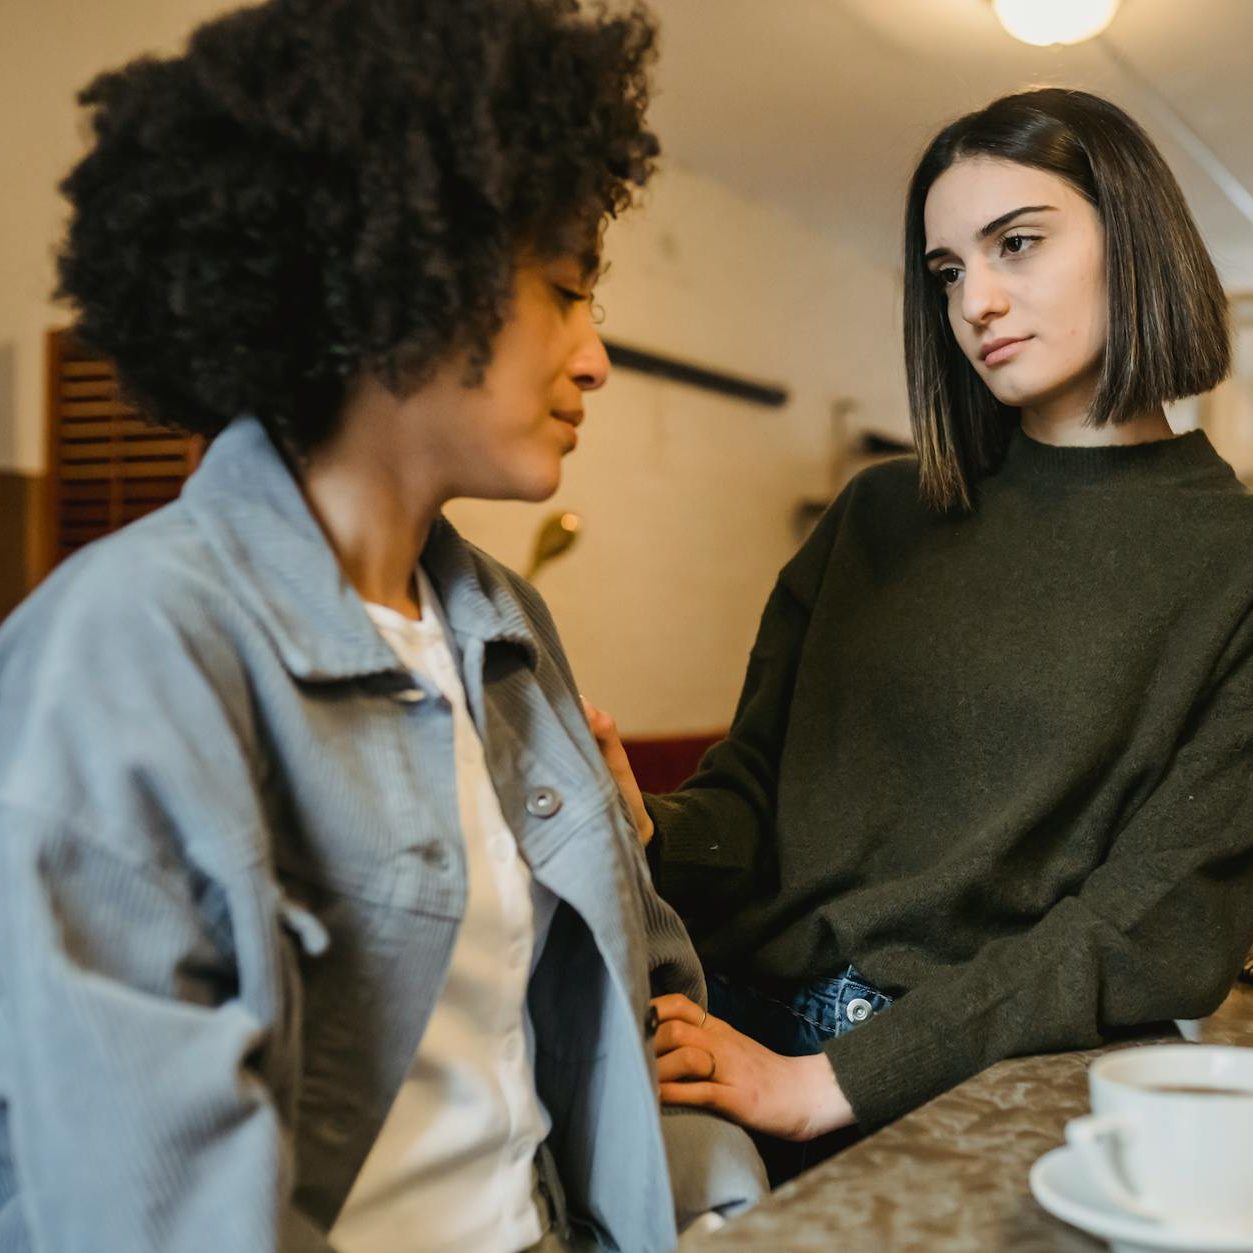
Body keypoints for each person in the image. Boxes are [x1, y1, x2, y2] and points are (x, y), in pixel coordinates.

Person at [0, 1, 766, 1249]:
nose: (596, 358)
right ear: (402, 274)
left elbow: (607, 1017)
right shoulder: (129, 645)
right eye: (567, 288)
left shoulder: (506, 630)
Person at [587, 87, 1253, 1175]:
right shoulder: (875, 515)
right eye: (945, 271)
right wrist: (649, 829)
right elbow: (755, 800)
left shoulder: (1228, 567)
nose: (976, 299)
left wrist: (829, 1081)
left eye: (1016, 244)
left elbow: (1146, 929)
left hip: (955, 1081)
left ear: (1132, 238)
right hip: (715, 1023)